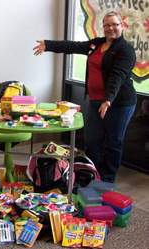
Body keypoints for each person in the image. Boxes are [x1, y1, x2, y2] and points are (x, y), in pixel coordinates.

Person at [33, 11, 136, 183]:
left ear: (122, 26)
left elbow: (117, 76)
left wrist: (108, 99)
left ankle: (107, 180)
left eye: (115, 24)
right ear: (103, 27)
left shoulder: (125, 50)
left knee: (113, 142)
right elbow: (73, 46)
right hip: (96, 101)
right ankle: (91, 174)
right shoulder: (97, 44)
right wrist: (48, 44)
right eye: (107, 25)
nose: (111, 28)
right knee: (92, 141)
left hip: (119, 104)